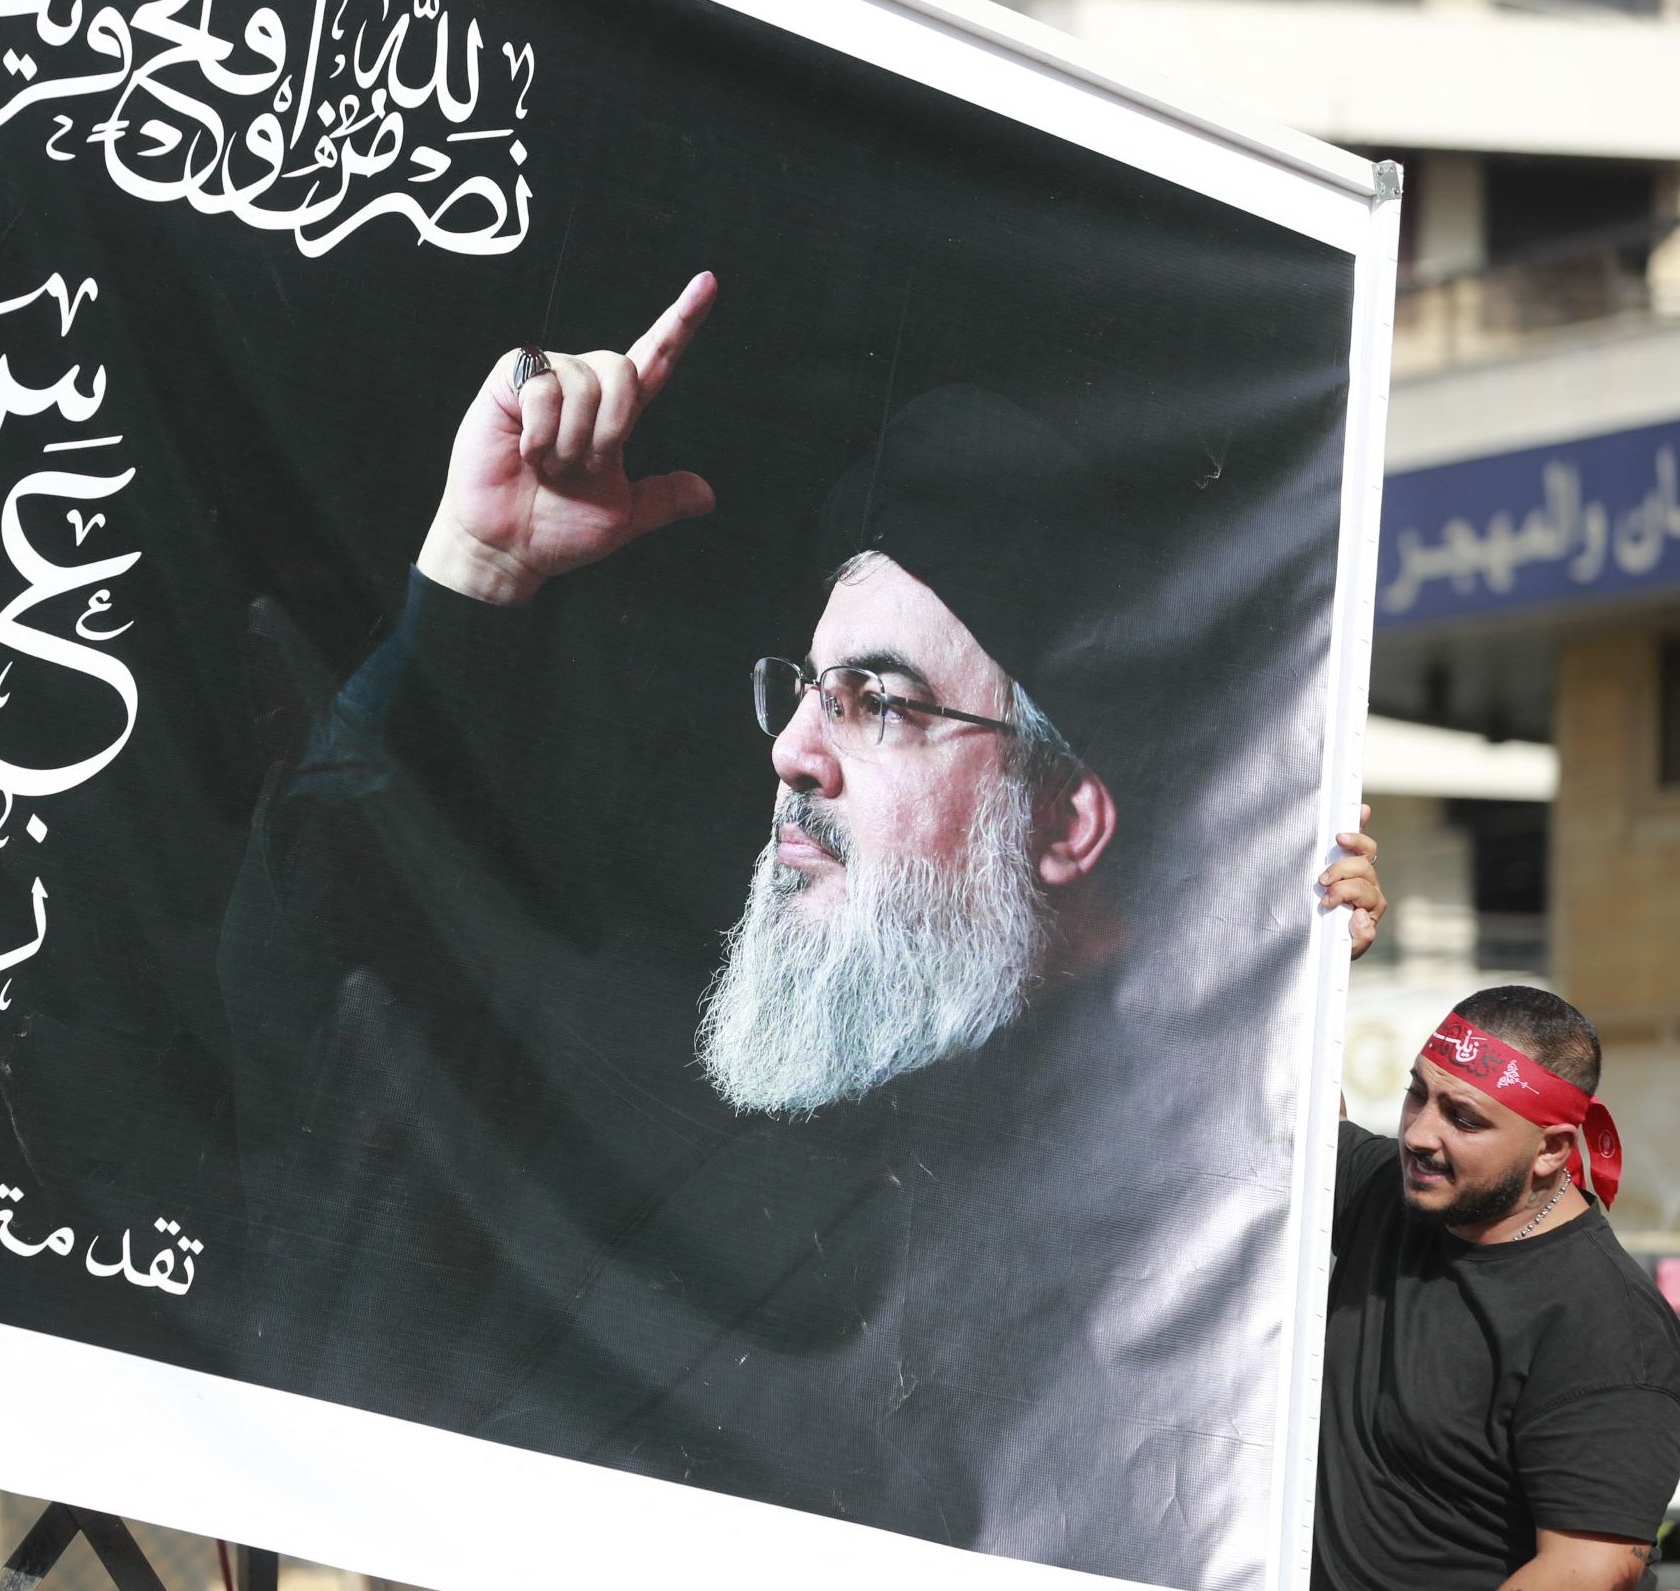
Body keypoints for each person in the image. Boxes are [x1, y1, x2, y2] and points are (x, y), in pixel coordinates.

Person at [220, 273, 1387, 1588]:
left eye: (879, 702)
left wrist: (1267, 986)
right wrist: (476, 577)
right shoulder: (681, 1057)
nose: (793, 751)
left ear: (1066, 821)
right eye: (808, 688)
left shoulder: (1138, 1197)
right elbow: (306, 986)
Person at [1316, 986, 1680, 1591]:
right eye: (1416, 1094)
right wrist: (1315, 943)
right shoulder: (1394, 1190)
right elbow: (1286, 1093)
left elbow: (1592, 1567)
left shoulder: (1608, 1324)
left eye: (1463, 1118)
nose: (1419, 1135)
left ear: (1553, 1149)